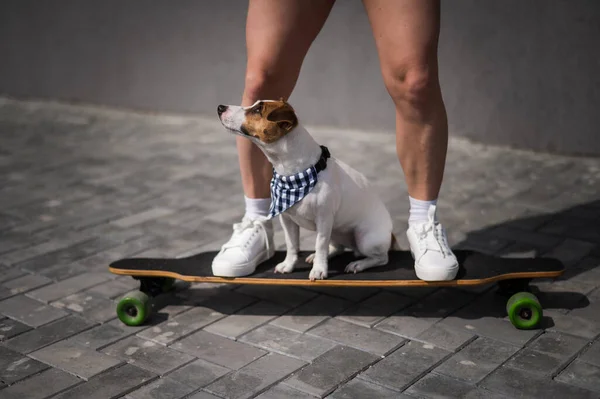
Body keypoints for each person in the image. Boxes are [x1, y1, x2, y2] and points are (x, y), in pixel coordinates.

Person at [211, 0, 458, 281]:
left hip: (356, 227)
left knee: (415, 81)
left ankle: (424, 222)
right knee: (262, 80)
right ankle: (257, 218)